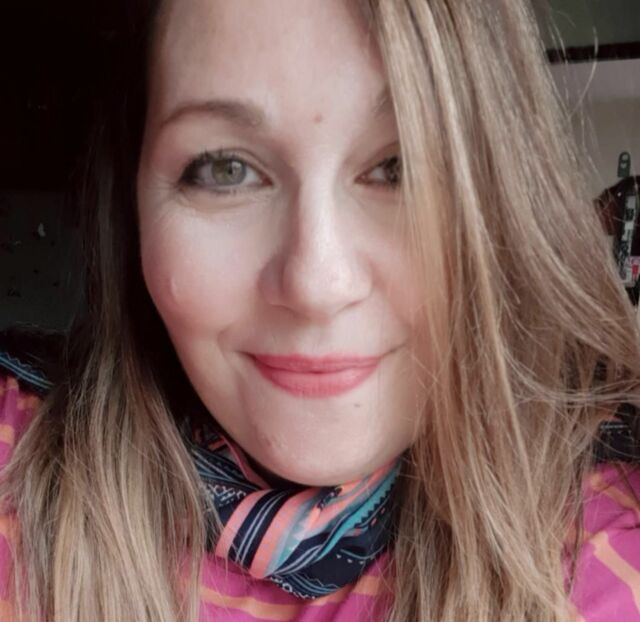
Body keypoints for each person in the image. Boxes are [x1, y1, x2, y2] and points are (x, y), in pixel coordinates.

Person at [1, 1, 640, 620]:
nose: (316, 284)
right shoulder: (15, 472)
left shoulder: (610, 552)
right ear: (133, 203)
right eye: (226, 168)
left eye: (400, 167)